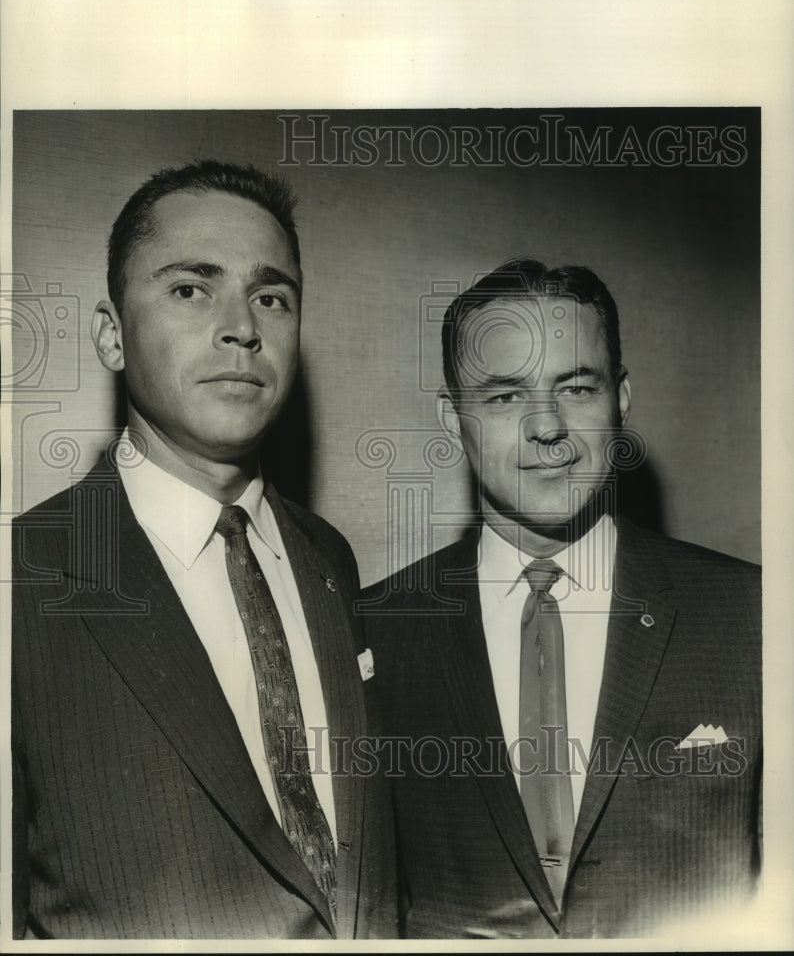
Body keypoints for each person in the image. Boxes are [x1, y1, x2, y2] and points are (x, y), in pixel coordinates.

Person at [12, 160, 396, 940]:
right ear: (112, 336)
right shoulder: (23, 578)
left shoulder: (330, 560)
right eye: (191, 288)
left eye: (270, 296)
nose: (242, 326)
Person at [361, 258, 761, 939]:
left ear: (621, 398)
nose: (547, 427)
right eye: (504, 397)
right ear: (453, 419)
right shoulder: (373, 631)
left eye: (576, 387)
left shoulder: (754, 613)